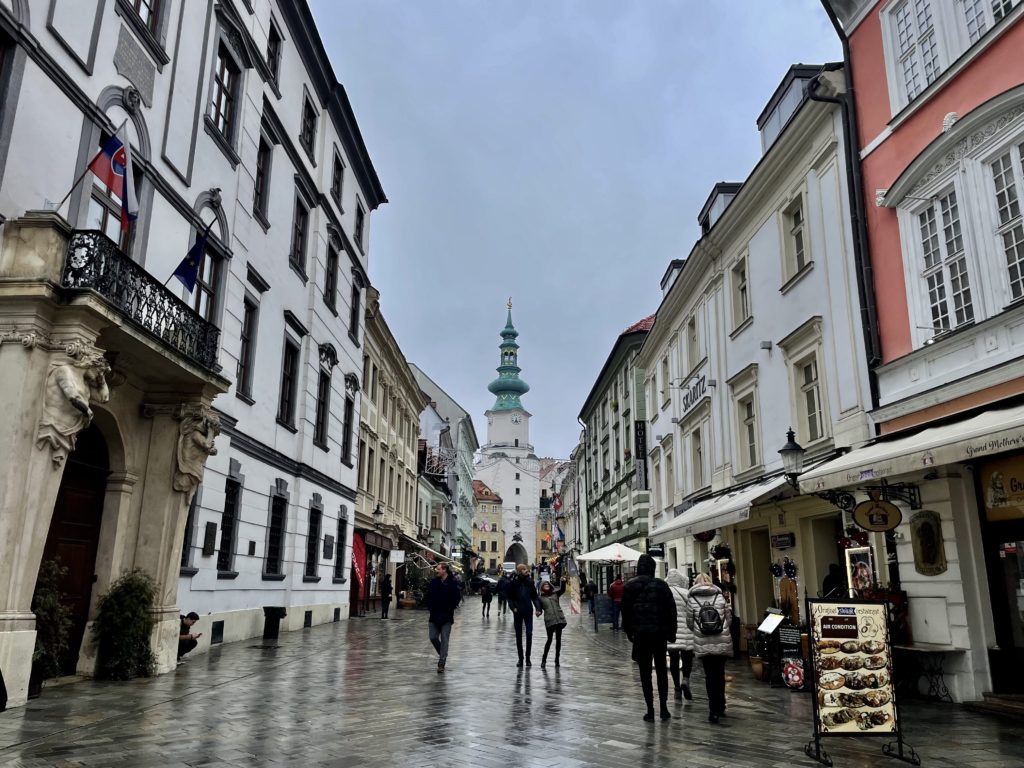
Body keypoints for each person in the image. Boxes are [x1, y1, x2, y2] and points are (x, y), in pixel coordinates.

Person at [621, 554, 677, 723]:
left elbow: (625, 611)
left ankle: (650, 710)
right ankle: (664, 708)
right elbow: (671, 610)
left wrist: (629, 631)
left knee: (645, 673)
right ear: (652, 568)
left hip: (641, 635)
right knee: (661, 670)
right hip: (659, 634)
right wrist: (671, 633)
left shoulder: (630, 586)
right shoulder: (661, 585)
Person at [687, 573, 732, 723]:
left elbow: (689, 622)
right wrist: (723, 628)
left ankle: (713, 710)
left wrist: (699, 630)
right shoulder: (719, 596)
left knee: (709, 675)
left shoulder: (692, 598)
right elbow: (729, 618)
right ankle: (721, 704)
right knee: (720, 673)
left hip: (703, 641)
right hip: (722, 639)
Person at [426, 563, 462, 673]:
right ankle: (443, 653)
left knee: (445, 639)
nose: (436, 570)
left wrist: (450, 608)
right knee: (433, 637)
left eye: (438, 569)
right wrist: (430, 607)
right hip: (434, 615)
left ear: (444, 570)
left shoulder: (452, 583)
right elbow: (428, 596)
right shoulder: (434, 582)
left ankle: (442, 661)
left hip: (446, 616)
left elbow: (457, 598)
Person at [665, 569, 695, 701]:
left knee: (674, 659)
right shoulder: (687, 593)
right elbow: (691, 613)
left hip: (672, 631)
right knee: (687, 657)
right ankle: (686, 679)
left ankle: (677, 687)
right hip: (686, 631)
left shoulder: (665, 593)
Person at [507, 564, 542, 668]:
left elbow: (534, 597)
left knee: (529, 633)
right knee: (518, 635)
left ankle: (528, 658)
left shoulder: (530, 582)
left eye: (527, 569)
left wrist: (538, 608)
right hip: (518, 612)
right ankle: (520, 658)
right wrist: (513, 608)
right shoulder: (513, 583)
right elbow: (510, 597)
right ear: (519, 571)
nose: (527, 571)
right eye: (524, 569)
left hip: (528, 611)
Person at [538, 576, 568, 668]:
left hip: (559, 618)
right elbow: (538, 607)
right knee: (549, 640)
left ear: (550, 585)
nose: (546, 585)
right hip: (549, 620)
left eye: (547, 584)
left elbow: (563, 589)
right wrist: (538, 611)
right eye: (544, 584)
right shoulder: (540, 598)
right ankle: (544, 660)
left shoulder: (555, 594)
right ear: (541, 587)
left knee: (558, 640)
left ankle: (557, 660)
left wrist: (563, 581)